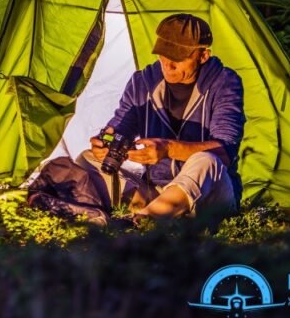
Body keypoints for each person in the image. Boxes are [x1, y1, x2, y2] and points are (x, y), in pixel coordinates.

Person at [86, 13, 244, 222]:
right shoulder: (143, 82)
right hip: (154, 189)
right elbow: (120, 128)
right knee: (87, 159)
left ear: (203, 55)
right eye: (163, 55)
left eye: (178, 58)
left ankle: (141, 223)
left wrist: (168, 149)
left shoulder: (225, 83)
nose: (168, 65)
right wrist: (107, 145)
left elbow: (225, 153)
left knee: (207, 161)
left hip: (209, 195)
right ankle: (148, 211)